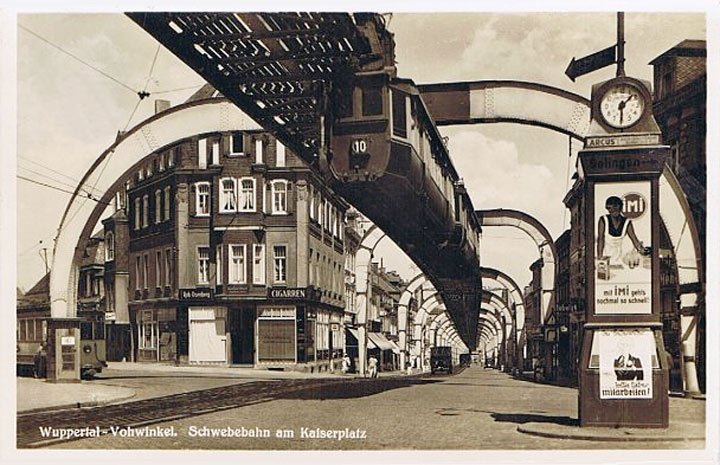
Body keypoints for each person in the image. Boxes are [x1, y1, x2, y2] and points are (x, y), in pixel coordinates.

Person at [597, 196, 649, 270]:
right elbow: (600, 239)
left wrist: (642, 250)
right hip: (604, 254)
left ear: (620, 208)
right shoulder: (603, 220)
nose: (613, 211)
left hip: (618, 255)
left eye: (615, 208)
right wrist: (600, 257)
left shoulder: (627, 222)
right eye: (610, 208)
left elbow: (634, 239)